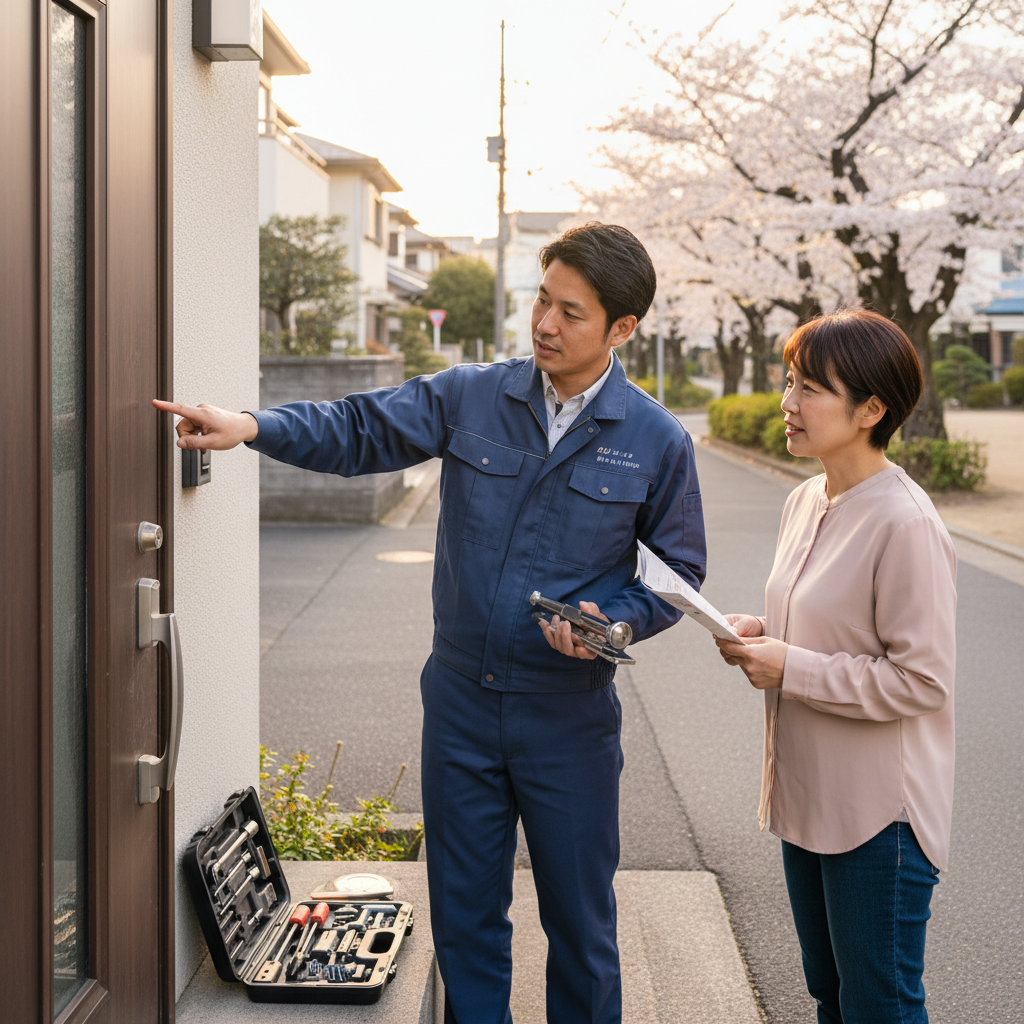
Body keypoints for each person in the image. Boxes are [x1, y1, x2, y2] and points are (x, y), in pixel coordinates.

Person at [154, 222, 706, 1024]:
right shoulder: (472, 394)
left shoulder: (657, 441)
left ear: (622, 328)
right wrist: (253, 427)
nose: (546, 325)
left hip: (570, 714)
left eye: (571, 313)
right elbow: (360, 427)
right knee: (465, 921)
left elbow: (677, 572)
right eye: (541, 301)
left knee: (582, 927)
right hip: (461, 709)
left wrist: (612, 621)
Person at [715, 310, 956, 1024]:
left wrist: (790, 666)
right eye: (789, 383)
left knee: (879, 1006)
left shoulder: (906, 522)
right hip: (808, 799)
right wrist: (761, 632)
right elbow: (826, 626)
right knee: (830, 997)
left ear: (871, 409)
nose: (786, 404)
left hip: (880, 815)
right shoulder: (805, 498)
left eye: (809, 388)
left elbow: (922, 679)